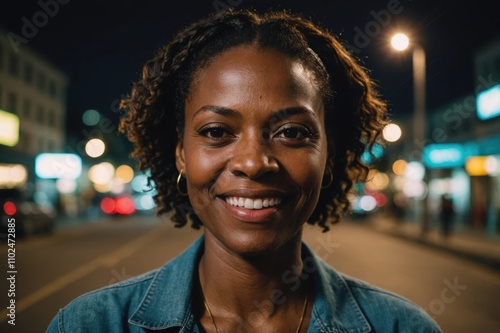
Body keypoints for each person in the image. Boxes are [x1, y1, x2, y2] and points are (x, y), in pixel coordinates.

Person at [47, 8, 442, 332]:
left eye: (291, 132)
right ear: (182, 154)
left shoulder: (402, 327)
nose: (253, 163)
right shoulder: (90, 325)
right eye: (217, 131)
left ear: (329, 157)